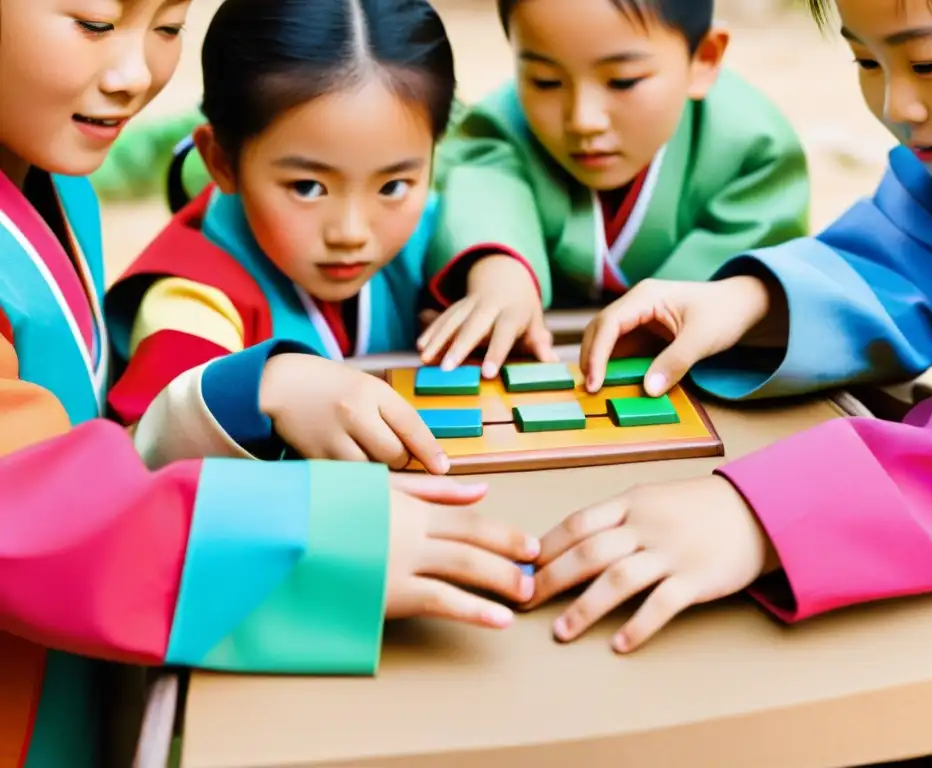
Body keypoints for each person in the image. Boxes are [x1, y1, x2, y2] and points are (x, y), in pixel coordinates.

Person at [0, 0, 537, 763]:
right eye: (93, 21)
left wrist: (496, 261)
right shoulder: (187, 275)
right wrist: (315, 540)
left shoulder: (54, 168)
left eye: (167, 25)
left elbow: (492, 180)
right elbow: (24, 510)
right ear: (222, 161)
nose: (133, 75)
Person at [521, 0, 932, 652]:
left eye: (929, 62)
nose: (898, 104)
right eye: (867, 60)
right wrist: (748, 302)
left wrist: (760, 515)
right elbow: (889, 263)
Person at [104, 0, 462, 473]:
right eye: (308, 187)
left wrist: (500, 272)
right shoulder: (189, 300)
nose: (351, 233)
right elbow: (151, 445)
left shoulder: (434, 232)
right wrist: (262, 388)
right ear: (222, 162)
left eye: (393, 185)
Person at [415, 0, 811, 378]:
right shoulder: (499, 126)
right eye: (545, 80)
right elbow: (487, 184)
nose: (583, 120)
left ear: (704, 58)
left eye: (623, 81)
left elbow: (743, 295)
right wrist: (499, 274)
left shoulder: (753, 149)